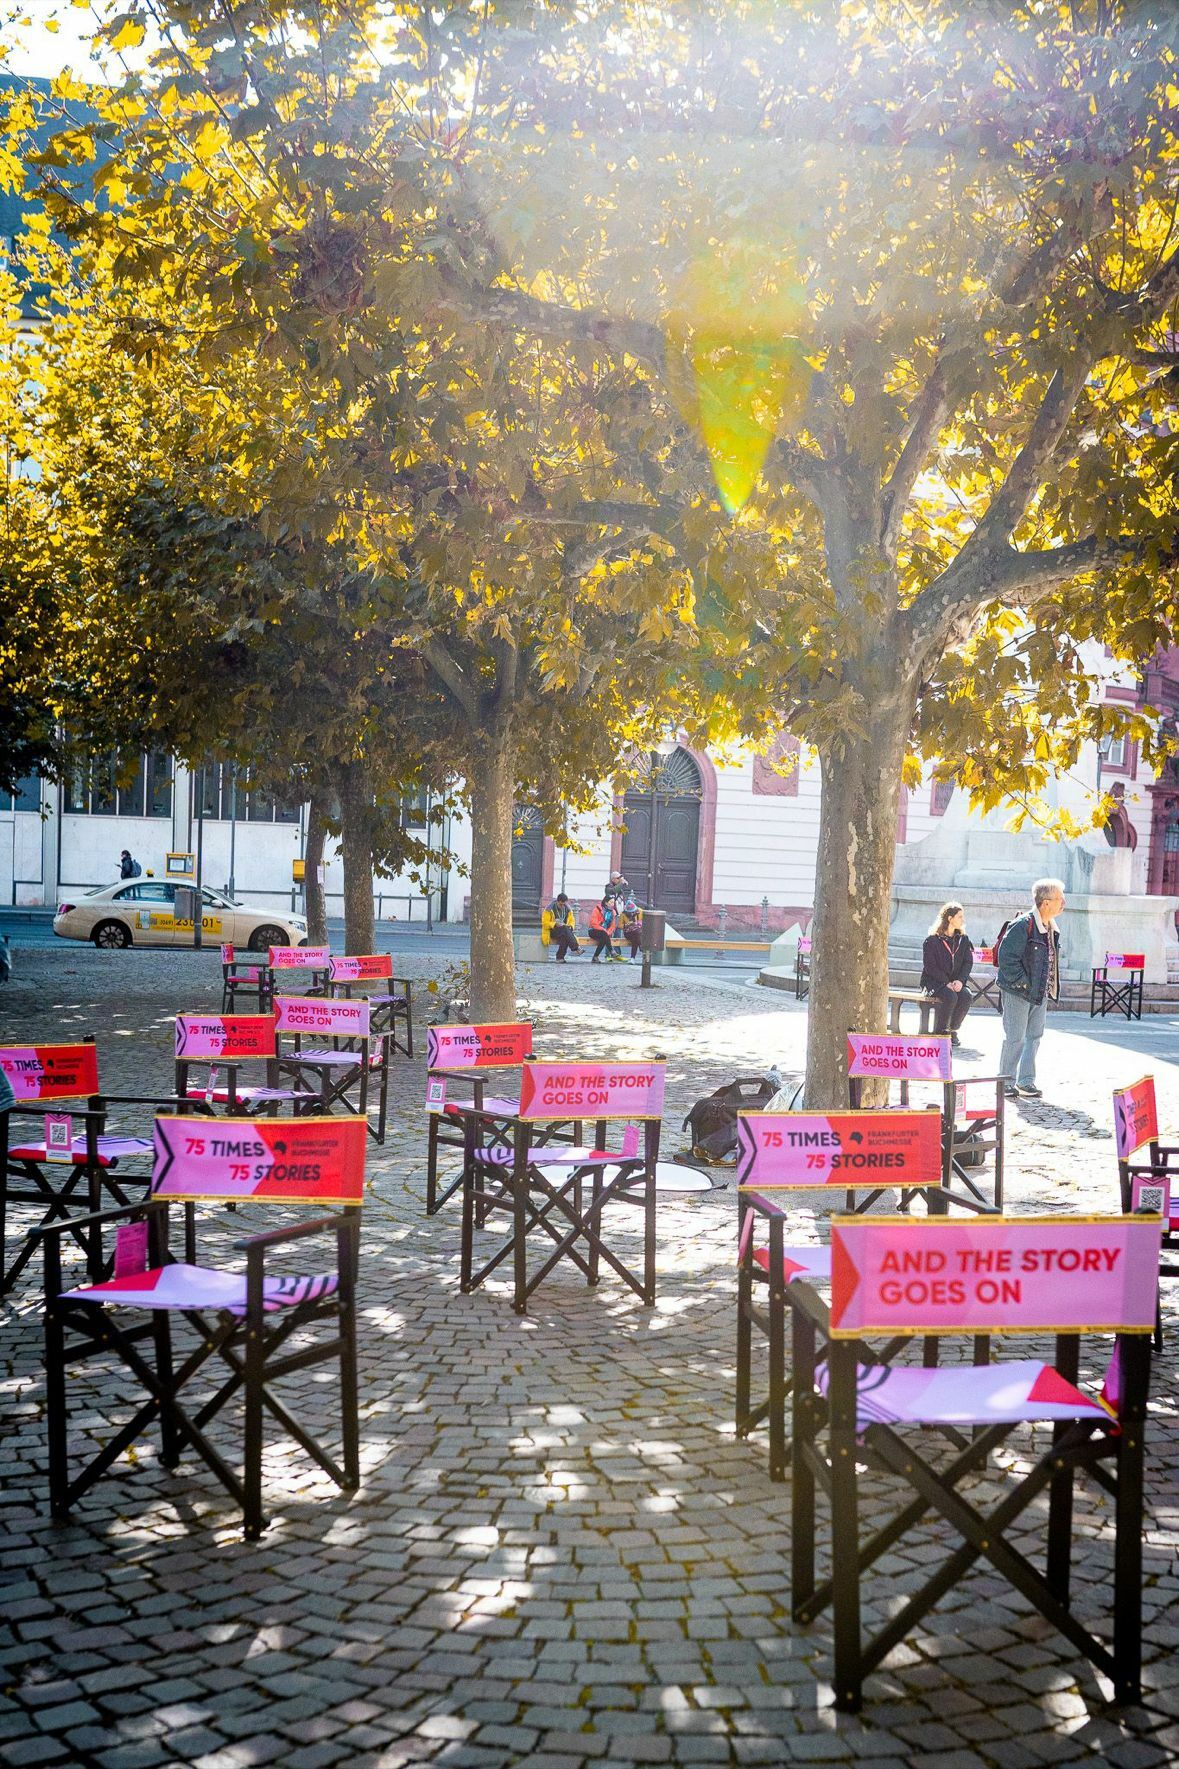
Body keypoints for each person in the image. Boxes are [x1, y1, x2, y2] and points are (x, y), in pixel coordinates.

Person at [997, 877, 1065, 1100]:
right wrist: (1023, 983)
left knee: (1034, 1036)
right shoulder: (1023, 924)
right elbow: (1006, 958)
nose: (1063, 902)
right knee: (1015, 1037)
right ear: (1045, 902)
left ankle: (1026, 1082)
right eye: (1059, 899)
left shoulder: (1050, 927)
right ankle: (1006, 1082)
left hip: (1040, 991)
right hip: (1019, 991)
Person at [921, 902, 974, 1046]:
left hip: (955, 981)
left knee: (966, 996)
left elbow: (967, 962)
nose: (963, 920)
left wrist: (960, 981)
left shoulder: (963, 940)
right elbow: (930, 967)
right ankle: (941, 1031)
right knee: (950, 996)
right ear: (950, 918)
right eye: (960, 917)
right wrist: (946, 982)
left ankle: (952, 1030)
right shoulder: (932, 941)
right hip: (934, 981)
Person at [541, 893, 580, 962]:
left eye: (564, 904)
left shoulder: (568, 909)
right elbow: (545, 923)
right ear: (557, 901)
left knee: (565, 935)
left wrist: (571, 926)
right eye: (561, 904)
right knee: (565, 930)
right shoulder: (549, 909)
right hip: (552, 930)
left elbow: (572, 921)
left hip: (565, 931)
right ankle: (576, 948)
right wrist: (555, 924)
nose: (562, 906)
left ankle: (560, 958)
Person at [588, 897, 621, 963]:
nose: (613, 904)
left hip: (604, 933)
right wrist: (603, 930)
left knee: (604, 939)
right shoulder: (597, 909)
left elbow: (612, 926)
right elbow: (593, 923)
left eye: (613, 902)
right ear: (606, 903)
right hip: (593, 930)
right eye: (611, 902)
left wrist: (608, 932)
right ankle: (611, 951)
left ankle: (595, 957)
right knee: (604, 935)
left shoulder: (613, 912)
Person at [619, 897, 643, 962]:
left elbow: (645, 921)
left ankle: (633, 958)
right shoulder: (623, 914)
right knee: (638, 935)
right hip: (628, 932)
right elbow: (620, 925)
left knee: (635, 939)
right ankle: (641, 946)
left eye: (633, 912)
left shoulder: (640, 911)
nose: (632, 913)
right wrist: (627, 925)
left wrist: (638, 923)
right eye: (630, 912)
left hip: (638, 933)